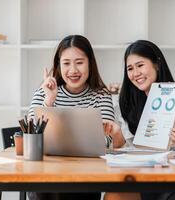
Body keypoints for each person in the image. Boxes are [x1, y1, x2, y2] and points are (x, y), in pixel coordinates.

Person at [105, 40, 175, 200]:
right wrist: (118, 137)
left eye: (140, 65)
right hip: (142, 177)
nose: (135, 73)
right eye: (130, 68)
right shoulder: (127, 102)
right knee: (114, 196)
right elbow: (129, 148)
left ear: (157, 64)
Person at [28, 35, 125, 200]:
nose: (73, 70)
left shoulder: (101, 95)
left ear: (90, 63)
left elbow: (108, 143)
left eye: (79, 62)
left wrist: (111, 135)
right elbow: (31, 136)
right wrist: (49, 100)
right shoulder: (44, 92)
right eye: (66, 63)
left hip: (86, 175)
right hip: (46, 174)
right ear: (58, 65)